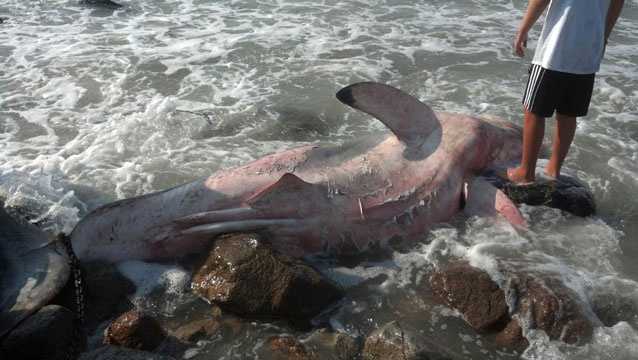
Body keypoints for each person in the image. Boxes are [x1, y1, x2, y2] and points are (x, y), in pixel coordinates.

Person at [507, 0, 625, 184]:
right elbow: (617, 3)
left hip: (556, 48)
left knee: (533, 111)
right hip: (587, 50)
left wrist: (523, 29)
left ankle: (526, 172)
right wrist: (604, 36)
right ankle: (554, 170)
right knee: (568, 114)